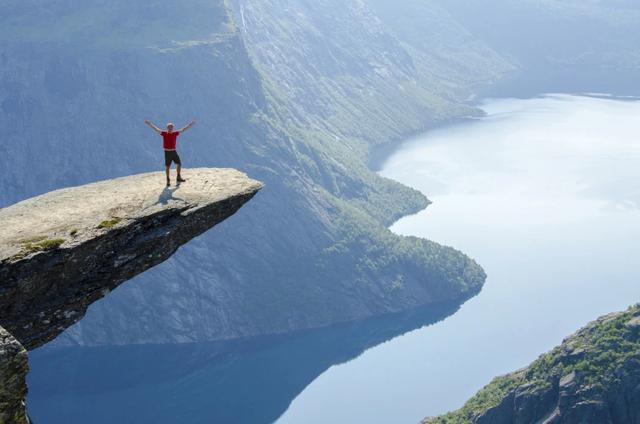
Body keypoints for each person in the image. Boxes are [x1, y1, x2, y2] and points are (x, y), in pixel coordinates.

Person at [144, 120, 196, 186]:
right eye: (169, 128)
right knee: (167, 166)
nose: (170, 129)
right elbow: (156, 129)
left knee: (179, 164)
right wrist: (149, 124)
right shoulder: (164, 133)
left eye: (171, 128)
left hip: (174, 151)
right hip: (167, 152)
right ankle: (168, 180)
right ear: (167, 128)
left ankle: (178, 177)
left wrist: (190, 125)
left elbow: (183, 129)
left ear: (172, 128)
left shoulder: (175, 133)